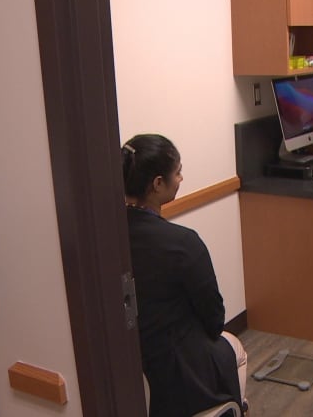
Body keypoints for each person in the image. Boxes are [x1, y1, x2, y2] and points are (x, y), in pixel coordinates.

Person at [121, 134, 247, 416]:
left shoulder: (106, 237)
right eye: (177, 173)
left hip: (130, 363)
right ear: (157, 184)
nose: (181, 178)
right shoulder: (182, 243)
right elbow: (214, 320)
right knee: (235, 348)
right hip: (174, 370)